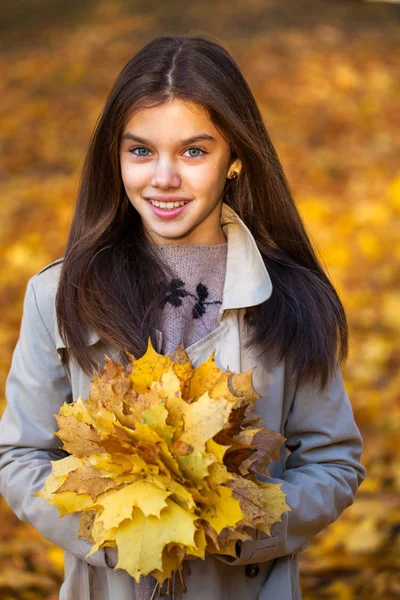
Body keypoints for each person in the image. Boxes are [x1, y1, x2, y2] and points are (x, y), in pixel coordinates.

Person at [0, 34, 366, 600]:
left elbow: (335, 460)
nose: (163, 178)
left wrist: (245, 525)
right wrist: (121, 529)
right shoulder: (58, 295)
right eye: (140, 151)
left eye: (194, 151)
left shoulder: (289, 297)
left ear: (236, 157)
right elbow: (20, 455)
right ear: (115, 157)